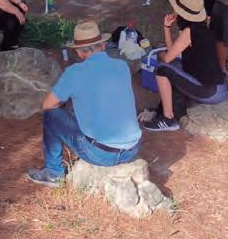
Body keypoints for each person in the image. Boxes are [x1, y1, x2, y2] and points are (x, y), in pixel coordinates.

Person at [26, 20, 142, 187]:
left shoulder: (74, 73)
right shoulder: (122, 66)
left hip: (101, 154)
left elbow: (48, 105)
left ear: (79, 52)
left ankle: (54, 174)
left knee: (52, 115)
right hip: (132, 148)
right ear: (103, 45)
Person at [140, 0, 228, 132]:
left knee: (161, 69)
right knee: (174, 67)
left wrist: (161, 50)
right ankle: (166, 110)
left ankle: (168, 119)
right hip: (218, 88)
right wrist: (167, 28)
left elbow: (167, 58)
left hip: (210, 92)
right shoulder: (200, 28)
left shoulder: (189, 32)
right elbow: (173, 55)